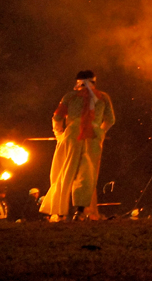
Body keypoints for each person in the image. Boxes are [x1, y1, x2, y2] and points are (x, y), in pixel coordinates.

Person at [40, 70, 115, 221]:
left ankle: (60, 211)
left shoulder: (70, 96)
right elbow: (111, 119)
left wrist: (59, 134)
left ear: (77, 82)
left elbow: (57, 117)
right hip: (93, 137)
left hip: (72, 135)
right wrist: (100, 132)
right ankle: (79, 212)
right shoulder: (103, 97)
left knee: (64, 171)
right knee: (87, 174)